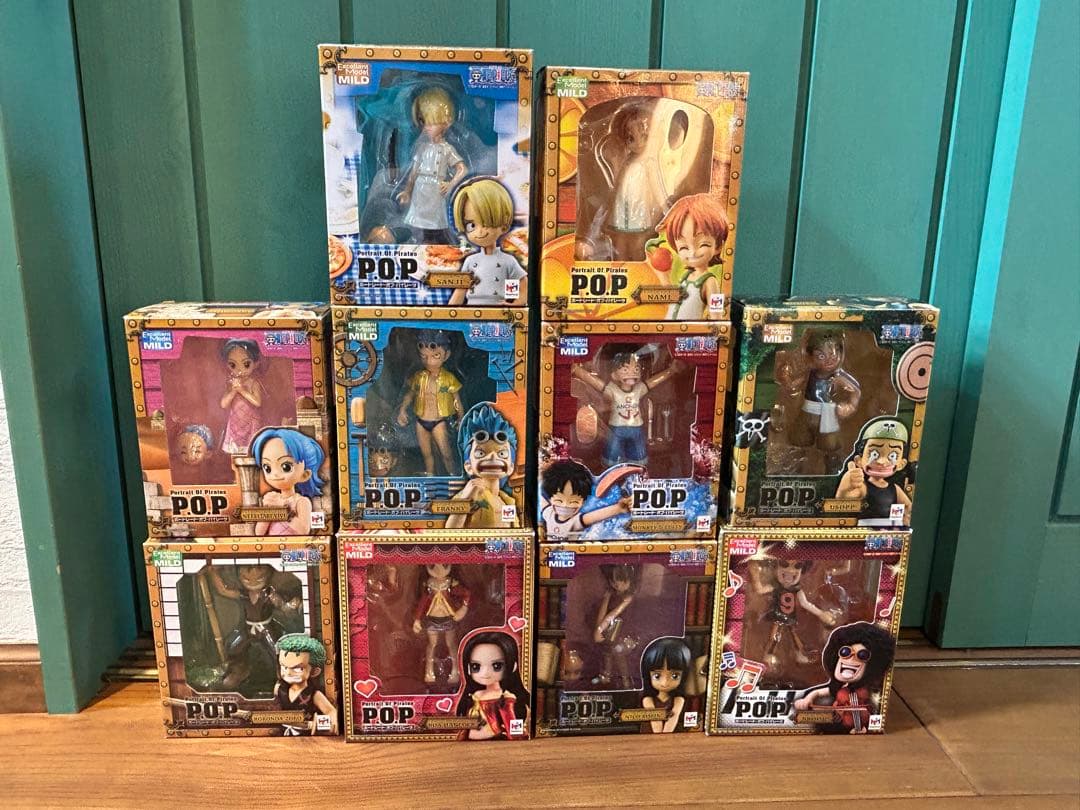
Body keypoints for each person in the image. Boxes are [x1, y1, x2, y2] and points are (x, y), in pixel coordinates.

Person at [793, 621, 896, 734]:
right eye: (845, 652)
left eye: (862, 655)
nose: (851, 659)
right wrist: (807, 699)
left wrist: (864, 725)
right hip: (836, 719)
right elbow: (818, 692)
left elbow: (874, 704)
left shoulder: (865, 689)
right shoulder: (839, 687)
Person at [395, 86, 467, 241]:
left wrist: (451, 184)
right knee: (418, 223)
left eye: (432, 123)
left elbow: (462, 169)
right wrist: (407, 191)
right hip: (420, 189)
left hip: (436, 190)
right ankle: (420, 242)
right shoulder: (422, 148)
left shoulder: (447, 149)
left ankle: (438, 243)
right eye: (423, 122)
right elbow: (414, 172)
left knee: (437, 223)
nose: (426, 127)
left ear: (447, 122)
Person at [396, 330, 464, 476]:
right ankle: (430, 477)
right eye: (424, 356)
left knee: (446, 454)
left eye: (435, 356)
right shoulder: (419, 377)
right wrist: (402, 410)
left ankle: (454, 475)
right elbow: (410, 394)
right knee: (427, 455)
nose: (429, 361)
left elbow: (457, 399)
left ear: (446, 355)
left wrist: (461, 418)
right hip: (421, 422)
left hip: (439, 422)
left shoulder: (448, 378)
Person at [449, 178, 526, 305]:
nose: (479, 232)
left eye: (486, 223)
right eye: (471, 225)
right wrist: (448, 313)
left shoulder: (508, 261)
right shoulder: (470, 261)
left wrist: (513, 305)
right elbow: (460, 292)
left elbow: (522, 288)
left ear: (504, 225)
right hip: (471, 310)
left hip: (497, 311)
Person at [445, 403, 520, 529]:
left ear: (511, 467)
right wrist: (465, 499)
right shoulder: (470, 494)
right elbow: (451, 530)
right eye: (481, 453)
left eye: (502, 453)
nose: (493, 457)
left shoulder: (507, 501)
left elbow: (513, 531)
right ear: (468, 466)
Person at [657, 193, 729, 320]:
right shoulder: (686, 277)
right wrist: (663, 275)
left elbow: (716, 315)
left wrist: (715, 329)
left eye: (703, 244)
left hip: (688, 332)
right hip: (668, 330)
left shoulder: (710, 282)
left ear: (718, 247)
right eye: (684, 248)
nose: (692, 253)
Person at [454, 630, 530, 740]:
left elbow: (511, 719)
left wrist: (516, 734)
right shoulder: (474, 696)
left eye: (497, 666)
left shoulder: (506, 697)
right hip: (469, 740)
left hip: (494, 738)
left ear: (513, 666)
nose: (485, 673)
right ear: (468, 668)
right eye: (476, 666)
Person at [250, 428, 325, 536]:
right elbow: (259, 532)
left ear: (305, 475)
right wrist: (268, 509)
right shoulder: (273, 499)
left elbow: (304, 530)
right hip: (273, 544)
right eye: (267, 468)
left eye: (286, 467)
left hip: (294, 545)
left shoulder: (301, 501)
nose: (275, 474)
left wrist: (283, 509)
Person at [538, 459, 629, 541]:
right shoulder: (548, 513)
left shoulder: (575, 521)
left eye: (573, 502)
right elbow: (540, 498)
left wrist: (619, 508)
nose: (565, 505)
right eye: (559, 501)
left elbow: (595, 516)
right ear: (551, 498)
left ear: (583, 502)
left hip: (573, 553)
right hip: (549, 552)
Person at [273, 633, 338, 735]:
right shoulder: (279, 689)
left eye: (298, 669)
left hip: (306, 736)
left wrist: (324, 724)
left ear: (314, 671)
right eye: (284, 667)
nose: (288, 673)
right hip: (282, 735)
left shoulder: (313, 694)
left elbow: (331, 712)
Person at [219, 339, 265, 455]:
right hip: (235, 423)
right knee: (235, 453)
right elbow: (223, 404)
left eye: (246, 364)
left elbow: (258, 402)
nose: (239, 370)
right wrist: (233, 391)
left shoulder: (254, 383)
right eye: (233, 365)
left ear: (256, 364)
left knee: (250, 451)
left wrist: (242, 391)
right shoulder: (231, 384)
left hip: (250, 423)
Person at [640, 637, 692, 733]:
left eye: (674, 676)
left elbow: (673, 717)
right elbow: (655, 721)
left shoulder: (678, 700)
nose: (665, 683)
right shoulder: (648, 700)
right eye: (657, 676)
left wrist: (665, 737)